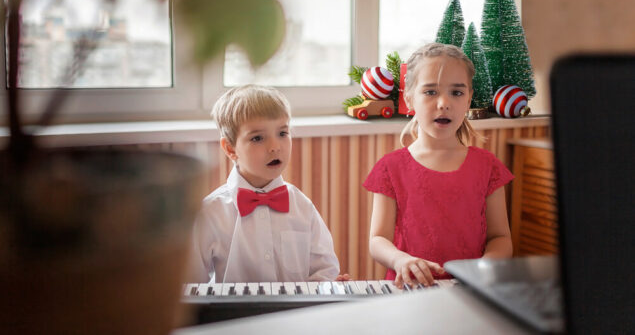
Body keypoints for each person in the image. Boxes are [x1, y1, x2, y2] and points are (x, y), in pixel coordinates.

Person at [364, 43, 514, 289]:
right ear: (409, 98)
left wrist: (484, 268)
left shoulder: (488, 167)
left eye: (456, 93)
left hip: (471, 290)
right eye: (431, 92)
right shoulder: (390, 168)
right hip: (409, 290)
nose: (444, 102)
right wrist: (400, 259)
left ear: (468, 100)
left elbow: (501, 238)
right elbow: (378, 239)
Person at [189, 84, 341, 283]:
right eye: (258, 138)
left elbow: (325, 268)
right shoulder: (210, 213)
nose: (275, 147)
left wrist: (326, 286)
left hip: (296, 313)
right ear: (230, 148)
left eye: (282, 134)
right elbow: (191, 285)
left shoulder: (302, 206)